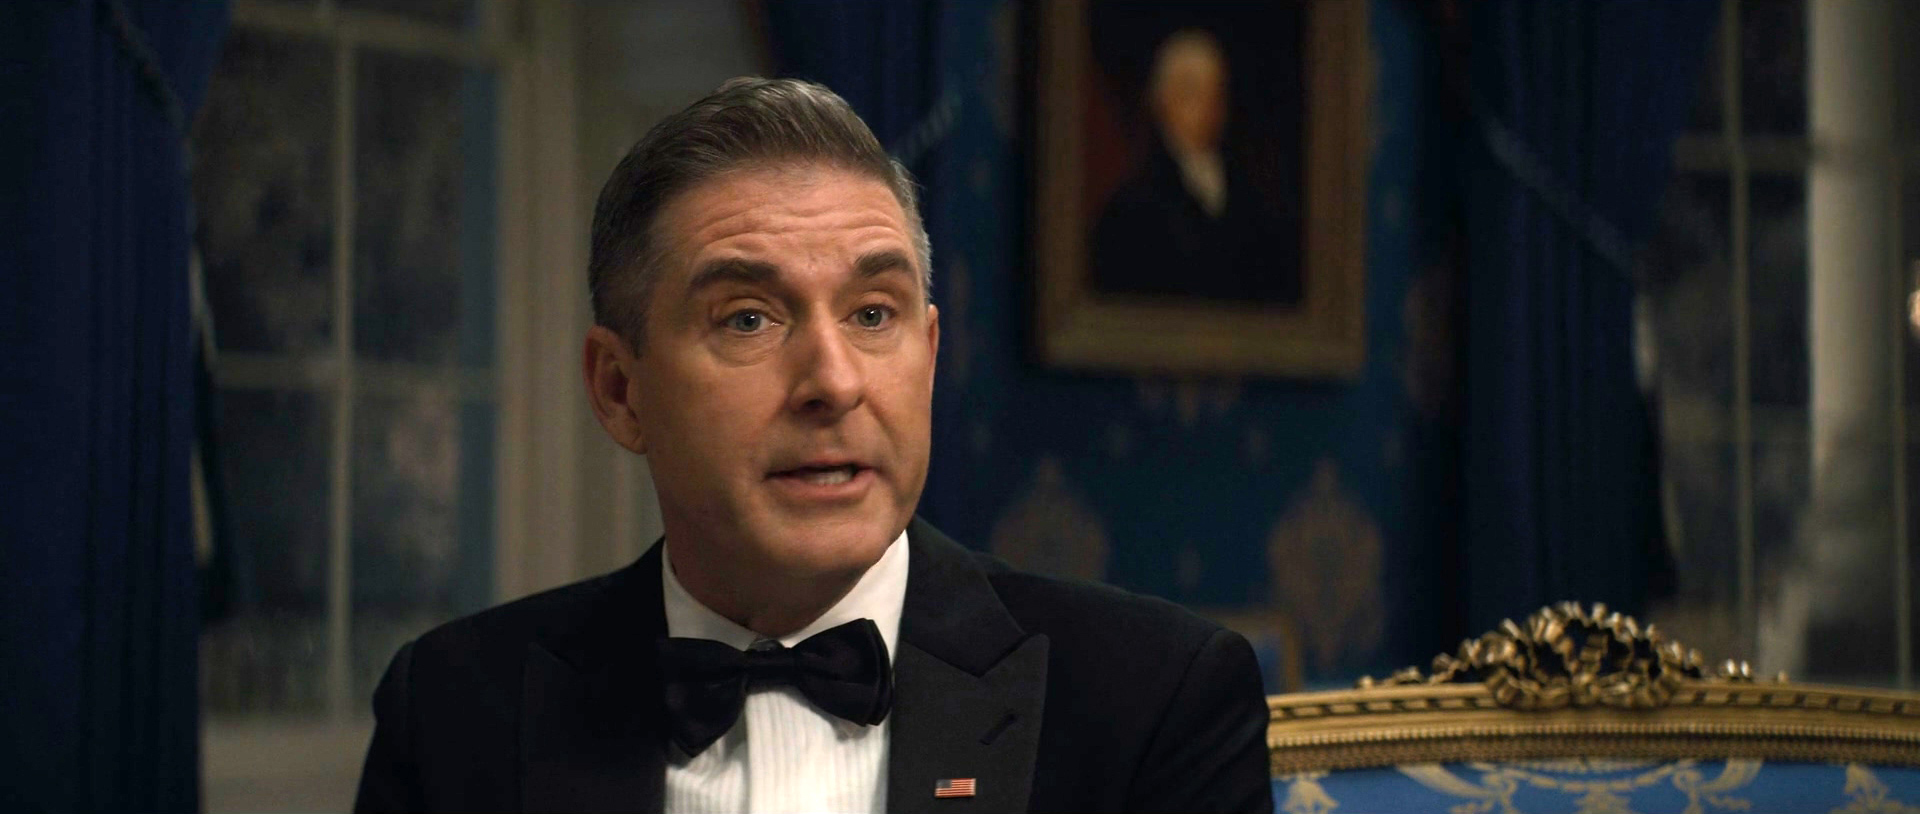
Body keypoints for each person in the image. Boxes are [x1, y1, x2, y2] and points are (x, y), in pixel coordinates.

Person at [353, 77, 1273, 814]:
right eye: (748, 318)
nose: (834, 381)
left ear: (930, 355)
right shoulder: (453, 711)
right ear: (620, 391)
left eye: (873, 314)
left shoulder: (1154, 700)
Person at [1091, 29, 1301, 305]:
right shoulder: (1132, 204)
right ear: (1163, 101)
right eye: (1193, 92)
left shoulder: (1252, 190)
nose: (1208, 107)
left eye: (1217, 93)